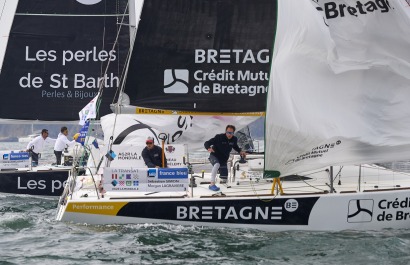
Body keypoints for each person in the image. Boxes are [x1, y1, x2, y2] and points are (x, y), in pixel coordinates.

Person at [204, 125, 247, 191]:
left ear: (233, 133)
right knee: (217, 165)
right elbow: (207, 143)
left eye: (231, 133)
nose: (229, 134)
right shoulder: (219, 137)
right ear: (225, 132)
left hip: (223, 160)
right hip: (214, 156)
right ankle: (211, 184)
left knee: (224, 178)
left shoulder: (234, 139)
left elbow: (235, 146)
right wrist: (209, 148)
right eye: (228, 132)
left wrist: (240, 151)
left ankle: (222, 187)